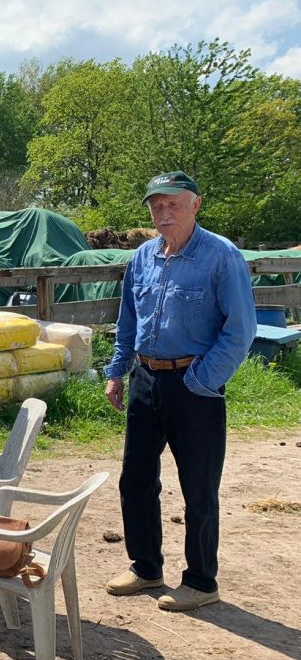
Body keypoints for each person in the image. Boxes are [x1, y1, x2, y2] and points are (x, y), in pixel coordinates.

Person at [103, 171, 256, 612]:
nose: (163, 212)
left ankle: (201, 580)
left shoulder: (221, 257)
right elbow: (128, 320)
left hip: (196, 383)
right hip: (146, 380)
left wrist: (202, 381)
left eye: (173, 203)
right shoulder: (143, 258)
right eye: (156, 204)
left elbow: (240, 330)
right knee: (135, 478)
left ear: (195, 204)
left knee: (199, 485)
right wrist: (118, 372)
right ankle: (146, 567)